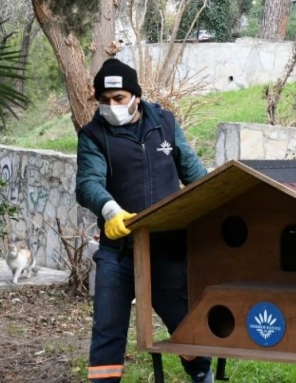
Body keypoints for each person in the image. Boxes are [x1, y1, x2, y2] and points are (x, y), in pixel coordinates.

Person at [76, 58, 214, 383]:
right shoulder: (94, 135)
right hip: (119, 250)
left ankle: (202, 375)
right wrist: (109, 209)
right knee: (108, 330)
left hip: (168, 247)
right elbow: (88, 183)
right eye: (105, 101)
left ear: (136, 96)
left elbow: (193, 172)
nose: (111, 107)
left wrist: (215, 201)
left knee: (184, 323)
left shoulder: (164, 123)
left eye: (119, 99)